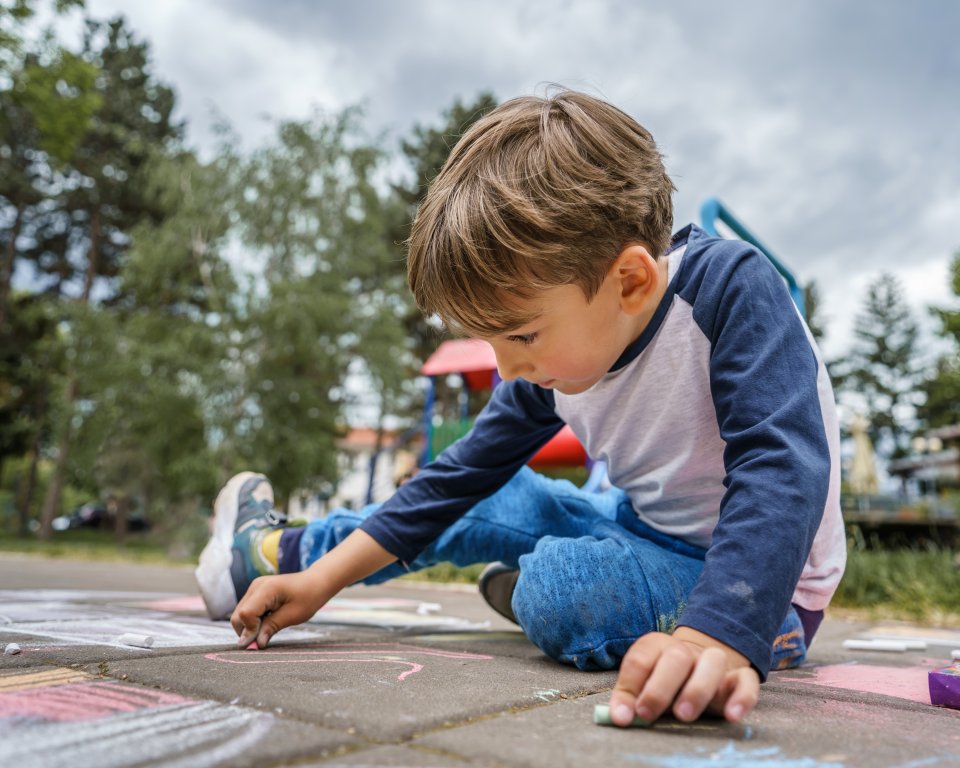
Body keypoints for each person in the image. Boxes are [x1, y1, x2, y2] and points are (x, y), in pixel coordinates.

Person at [195, 89, 845, 728]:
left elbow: (781, 466)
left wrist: (717, 637)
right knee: (488, 499)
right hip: (638, 524)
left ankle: (601, 601)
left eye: (523, 336)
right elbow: (455, 480)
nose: (506, 369)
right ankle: (273, 557)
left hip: (770, 587)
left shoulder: (732, 291)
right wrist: (324, 582)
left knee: (564, 590)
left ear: (631, 281)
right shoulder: (553, 357)